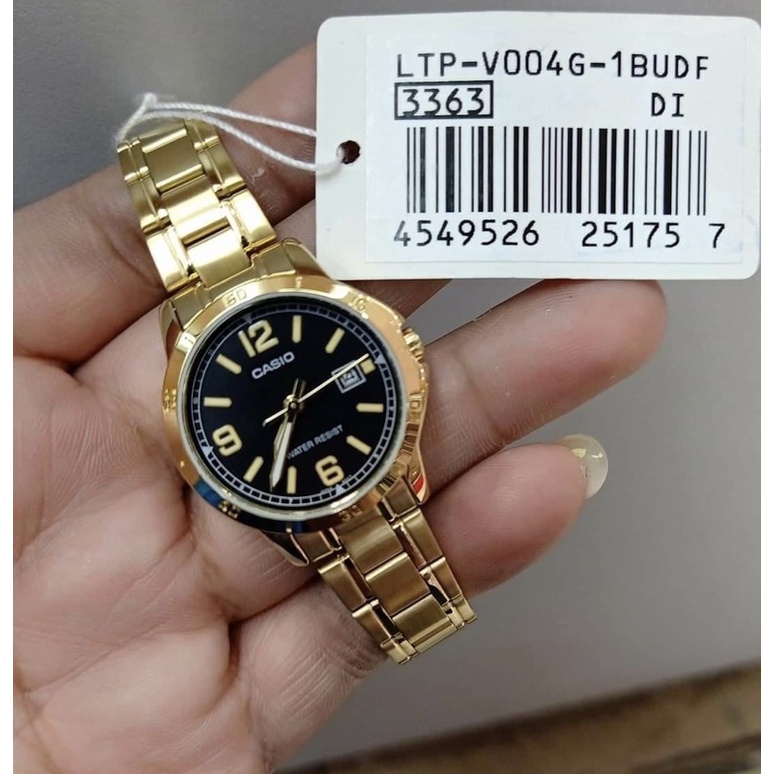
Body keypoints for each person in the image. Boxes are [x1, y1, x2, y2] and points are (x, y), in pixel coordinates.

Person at [13, 45, 666, 773]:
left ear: (398, 352)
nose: (292, 400)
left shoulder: (294, 364)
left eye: (299, 395)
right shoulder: (203, 402)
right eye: (287, 401)